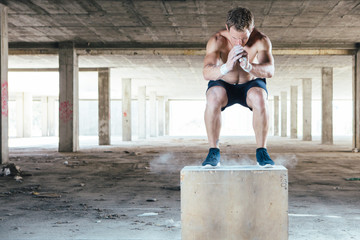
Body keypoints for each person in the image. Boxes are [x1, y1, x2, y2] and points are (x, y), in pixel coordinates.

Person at [202, 7, 275, 168]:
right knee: (213, 96)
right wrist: (225, 67)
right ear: (228, 28)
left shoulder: (261, 40)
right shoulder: (217, 40)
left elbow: (270, 70)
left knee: (260, 97)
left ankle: (262, 151)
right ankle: (213, 151)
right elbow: (206, 72)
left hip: (249, 84)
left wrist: (250, 67)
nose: (239, 43)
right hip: (224, 84)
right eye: (235, 38)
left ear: (252, 29)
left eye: (244, 38)